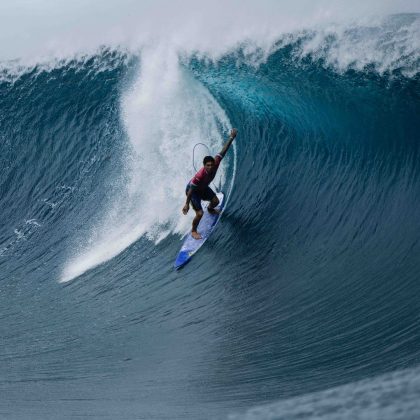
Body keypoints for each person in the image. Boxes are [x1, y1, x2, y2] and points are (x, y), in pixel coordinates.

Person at [182, 128, 238, 239]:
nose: (210, 167)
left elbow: (224, 150)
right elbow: (190, 191)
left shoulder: (216, 162)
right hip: (193, 191)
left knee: (215, 201)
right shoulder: (199, 176)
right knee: (199, 214)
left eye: (211, 165)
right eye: (207, 165)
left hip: (203, 188)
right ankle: (193, 231)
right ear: (204, 165)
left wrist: (232, 137)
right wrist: (187, 204)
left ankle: (210, 209)